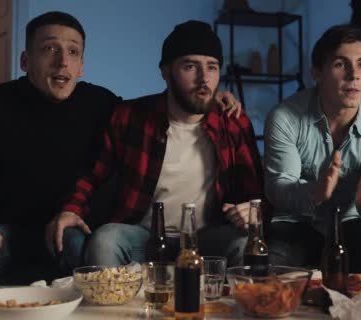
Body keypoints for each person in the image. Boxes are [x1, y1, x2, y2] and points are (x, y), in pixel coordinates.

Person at [0, 11, 241, 283]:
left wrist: (210, 101)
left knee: (87, 250)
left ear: (81, 65)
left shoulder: (102, 104)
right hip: (7, 233)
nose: (62, 62)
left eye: (73, 52)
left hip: (76, 232)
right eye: (49, 49)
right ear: (25, 61)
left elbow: (159, 111)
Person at [60, 20, 264, 267]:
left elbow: (258, 194)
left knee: (243, 242)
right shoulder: (130, 117)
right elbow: (92, 175)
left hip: (206, 238)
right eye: (190, 66)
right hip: (145, 237)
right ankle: (110, 306)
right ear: (165, 72)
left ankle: (231, 307)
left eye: (212, 67)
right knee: (105, 239)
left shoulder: (232, 122)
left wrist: (253, 212)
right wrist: (71, 209)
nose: (204, 79)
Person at [263, 24, 361, 274]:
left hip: (353, 221)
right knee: (268, 266)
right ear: (317, 72)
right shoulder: (284, 117)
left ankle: (357, 311)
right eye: (341, 64)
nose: (354, 75)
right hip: (297, 223)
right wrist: (315, 192)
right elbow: (278, 189)